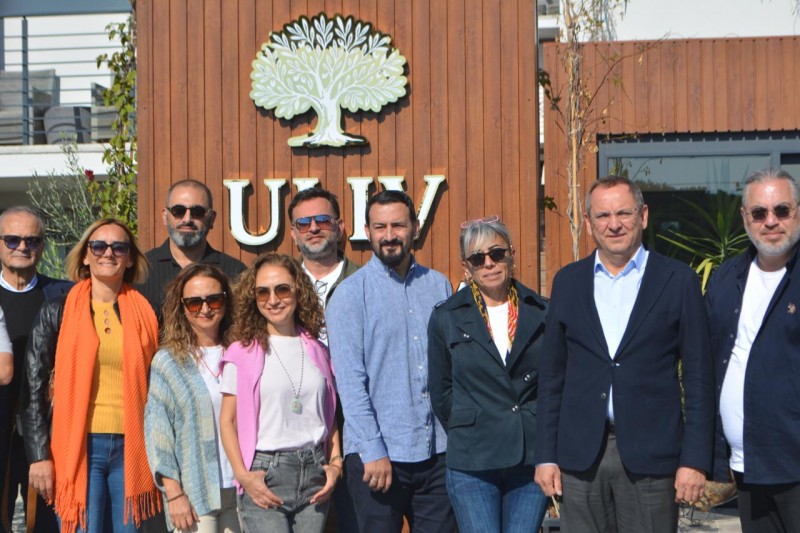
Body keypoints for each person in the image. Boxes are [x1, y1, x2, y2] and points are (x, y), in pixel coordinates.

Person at [534, 176, 715, 533]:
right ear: (589, 224)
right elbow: (552, 376)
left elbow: (699, 378)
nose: (613, 224)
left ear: (643, 216)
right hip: (580, 456)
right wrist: (545, 456)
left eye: (623, 213)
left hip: (652, 458)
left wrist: (694, 460)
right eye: (602, 216)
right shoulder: (568, 282)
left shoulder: (678, 281)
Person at [19, 218, 162, 533]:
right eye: (98, 246)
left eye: (119, 247)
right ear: (85, 255)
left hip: (133, 448)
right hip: (78, 447)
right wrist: (38, 456)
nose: (108, 253)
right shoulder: (57, 311)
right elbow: (33, 387)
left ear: (130, 259)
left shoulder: (149, 313)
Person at [326, 190, 456, 533]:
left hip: (437, 453)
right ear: (366, 232)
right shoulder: (349, 296)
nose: (389, 235)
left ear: (415, 228)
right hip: (378, 456)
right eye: (379, 227)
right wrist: (373, 449)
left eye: (398, 225)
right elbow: (350, 384)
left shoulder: (439, 286)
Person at [428, 216, 549, 533]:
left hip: (529, 456)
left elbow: (554, 384)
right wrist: (469, 424)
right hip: (473, 460)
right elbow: (441, 392)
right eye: (477, 258)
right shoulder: (446, 317)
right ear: (466, 267)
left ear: (511, 255)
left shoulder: (542, 311)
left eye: (496, 253)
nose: (489, 263)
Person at [219, 253, 342, 533]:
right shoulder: (241, 352)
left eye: (282, 289)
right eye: (263, 292)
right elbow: (227, 421)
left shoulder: (318, 351)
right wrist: (243, 476)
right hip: (265, 473)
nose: (273, 300)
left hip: (314, 473)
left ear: (298, 291)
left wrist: (336, 463)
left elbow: (329, 415)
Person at [706, 169, 800, 533]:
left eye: (782, 210)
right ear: (745, 218)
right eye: (759, 213)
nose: (771, 221)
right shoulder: (726, 278)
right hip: (747, 467)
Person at [144, 264, 240, 533]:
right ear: (182, 307)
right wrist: (174, 494)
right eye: (194, 303)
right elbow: (159, 434)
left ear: (226, 301)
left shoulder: (243, 353)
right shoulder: (168, 362)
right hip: (195, 491)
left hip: (242, 489)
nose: (205, 309)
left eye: (214, 299)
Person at [288, 186, 360, 532]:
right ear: (293, 233)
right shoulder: (277, 285)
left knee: (357, 521)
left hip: (356, 420)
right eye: (303, 223)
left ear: (340, 227)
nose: (313, 228)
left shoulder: (364, 281)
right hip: (294, 421)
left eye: (323, 220)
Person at [0, 206, 71, 533]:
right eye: (12, 239)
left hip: (47, 433)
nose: (22, 247)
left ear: (42, 246)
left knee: (46, 523)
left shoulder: (64, 295)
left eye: (32, 240)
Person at [137, 179, 245, 316]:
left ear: (212, 218)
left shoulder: (235, 273)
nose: (187, 219)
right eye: (178, 211)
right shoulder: (140, 270)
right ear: (165, 216)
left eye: (197, 212)